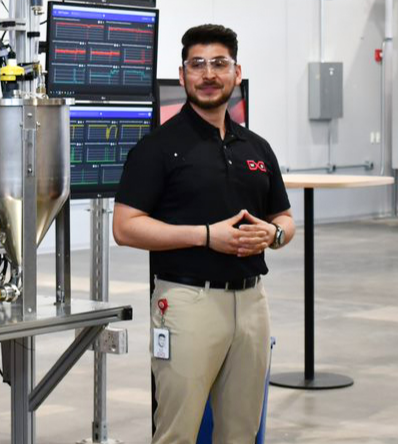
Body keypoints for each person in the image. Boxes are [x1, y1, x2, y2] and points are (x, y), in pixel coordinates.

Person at [113, 24, 295, 444]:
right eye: (198, 65)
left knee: (242, 432)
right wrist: (206, 236)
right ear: (182, 76)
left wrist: (273, 234)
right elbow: (125, 226)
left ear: (236, 72)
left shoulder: (256, 148)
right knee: (178, 431)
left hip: (252, 305)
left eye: (219, 64)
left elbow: (285, 218)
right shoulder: (157, 149)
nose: (208, 74)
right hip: (187, 303)